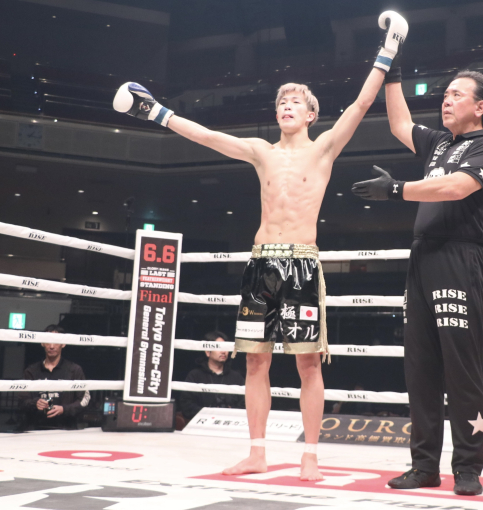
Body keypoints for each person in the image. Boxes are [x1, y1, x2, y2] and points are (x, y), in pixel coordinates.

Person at [113, 11, 409, 481]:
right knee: (255, 360)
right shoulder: (260, 151)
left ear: (310, 114)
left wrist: (388, 50)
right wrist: (158, 113)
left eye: (296, 102)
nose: (287, 106)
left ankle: (310, 456)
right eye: (282, 102)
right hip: (261, 265)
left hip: (302, 265)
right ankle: (257, 453)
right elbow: (208, 137)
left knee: (308, 363)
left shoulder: (325, 147)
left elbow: (360, 103)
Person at [351, 69, 483, 496]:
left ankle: (468, 468)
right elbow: (400, 124)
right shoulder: (439, 142)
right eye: (445, 94)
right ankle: (423, 466)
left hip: (461, 258)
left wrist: (396, 189)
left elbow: (455, 188)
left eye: (456, 95)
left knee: (461, 367)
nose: (446, 100)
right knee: (420, 366)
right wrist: (393, 74)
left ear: (480, 107)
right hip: (422, 257)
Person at [21, 325, 90, 430]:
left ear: (63, 344)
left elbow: (84, 399)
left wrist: (64, 409)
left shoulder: (74, 370)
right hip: (36, 429)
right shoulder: (31, 371)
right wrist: (35, 403)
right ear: (42, 343)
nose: (52, 346)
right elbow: (22, 400)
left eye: (56, 341)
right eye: (48, 341)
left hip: (66, 428)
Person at [178, 331, 245, 422]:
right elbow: (186, 405)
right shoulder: (195, 376)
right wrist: (209, 413)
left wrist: (230, 413)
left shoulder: (236, 377)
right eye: (219, 347)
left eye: (225, 348)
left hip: (230, 423)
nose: (223, 352)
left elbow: (245, 404)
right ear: (208, 352)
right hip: (201, 424)